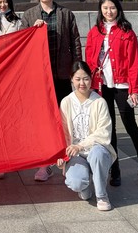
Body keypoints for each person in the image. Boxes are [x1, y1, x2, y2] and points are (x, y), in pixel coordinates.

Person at [85, 0, 138, 187]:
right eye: (105, 8)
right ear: (100, 10)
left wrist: (135, 90)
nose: (109, 11)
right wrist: (91, 79)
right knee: (109, 129)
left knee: (130, 126)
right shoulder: (95, 32)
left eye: (112, 8)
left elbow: (134, 62)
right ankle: (115, 170)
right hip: (102, 85)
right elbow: (89, 57)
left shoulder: (126, 32)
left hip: (122, 85)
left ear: (118, 9)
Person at [21, 0, 82, 182]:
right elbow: (22, 45)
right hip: (40, 78)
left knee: (65, 119)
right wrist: (32, 30)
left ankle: (68, 160)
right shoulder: (29, 15)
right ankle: (45, 164)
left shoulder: (66, 14)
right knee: (44, 121)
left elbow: (75, 43)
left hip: (62, 75)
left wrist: (77, 72)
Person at [57, 61, 116, 211]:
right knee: (76, 183)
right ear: (71, 79)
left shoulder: (99, 102)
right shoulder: (66, 102)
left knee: (97, 154)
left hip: (96, 150)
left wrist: (80, 145)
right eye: (78, 79)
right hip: (75, 154)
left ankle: (101, 195)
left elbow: (104, 132)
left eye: (85, 79)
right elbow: (62, 132)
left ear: (91, 79)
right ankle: (84, 187)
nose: (82, 83)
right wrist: (60, 154)